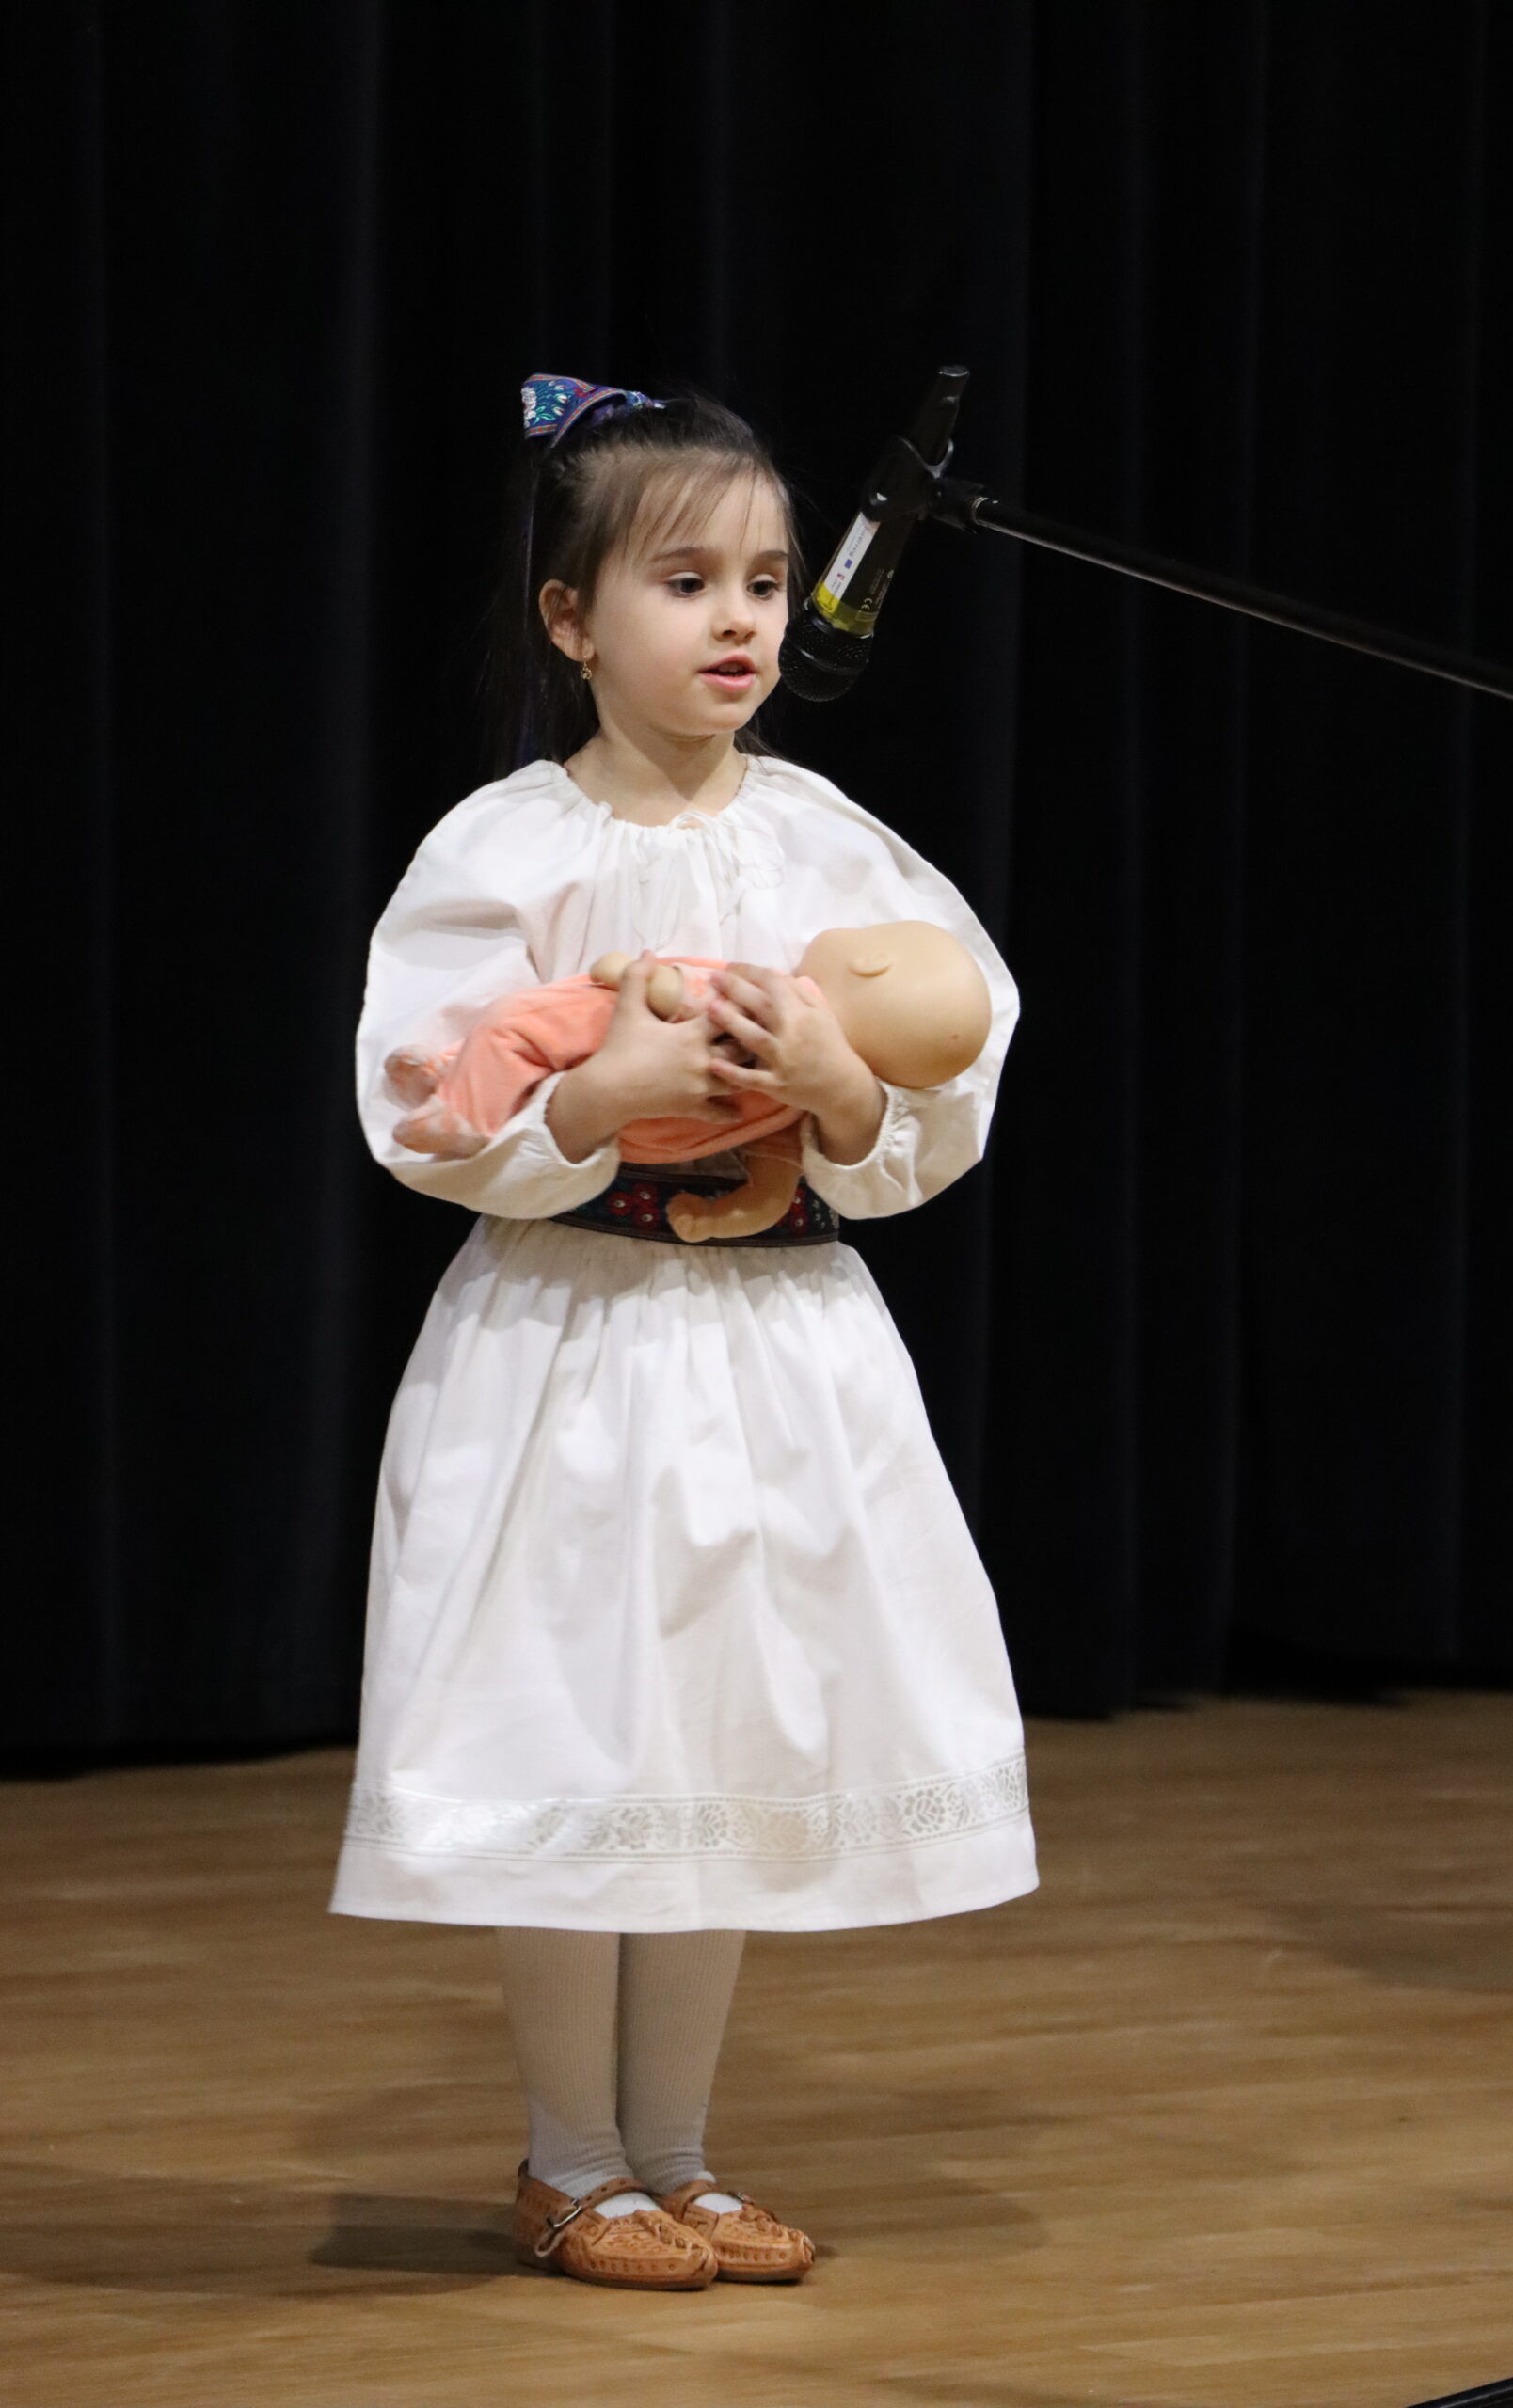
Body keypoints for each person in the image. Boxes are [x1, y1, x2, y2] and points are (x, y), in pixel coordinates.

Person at [331, 372, 1038, 2291]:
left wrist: (836, 1087)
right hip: (575, 1346)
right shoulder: (510, 844)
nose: (740, 619)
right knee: (586, 1739)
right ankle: (571, 2159)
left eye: (768, 580)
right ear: (572, 619)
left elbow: (949, 1058)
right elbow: (422, 1098)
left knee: (712, 1745)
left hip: (774, 1347)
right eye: (686, 579)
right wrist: (595, 1092)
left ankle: (681, 2153)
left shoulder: (826, 842)